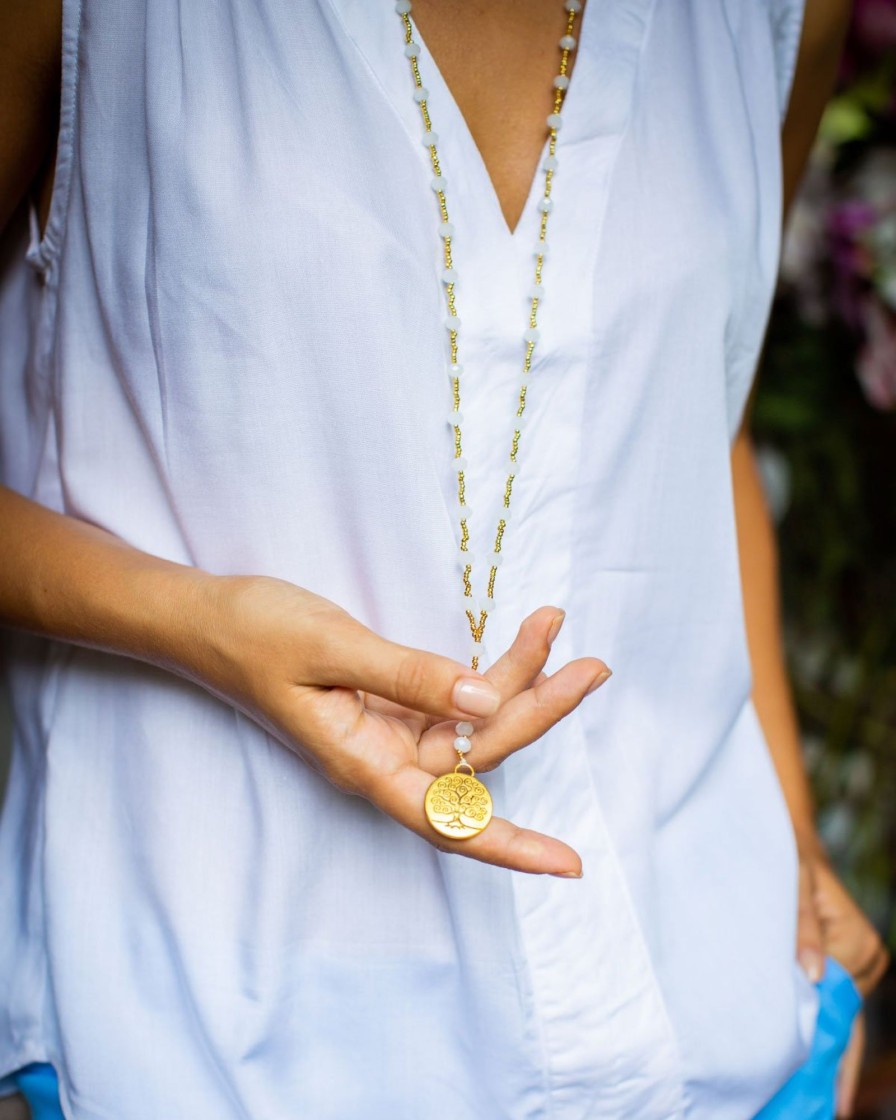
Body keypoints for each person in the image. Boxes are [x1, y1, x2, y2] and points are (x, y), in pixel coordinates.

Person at [0, 0, 889, 1117]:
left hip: (711, 1023)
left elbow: (695, 420)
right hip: (217, 1038)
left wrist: (794, 833)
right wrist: (206, 629)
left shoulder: (772, 17)